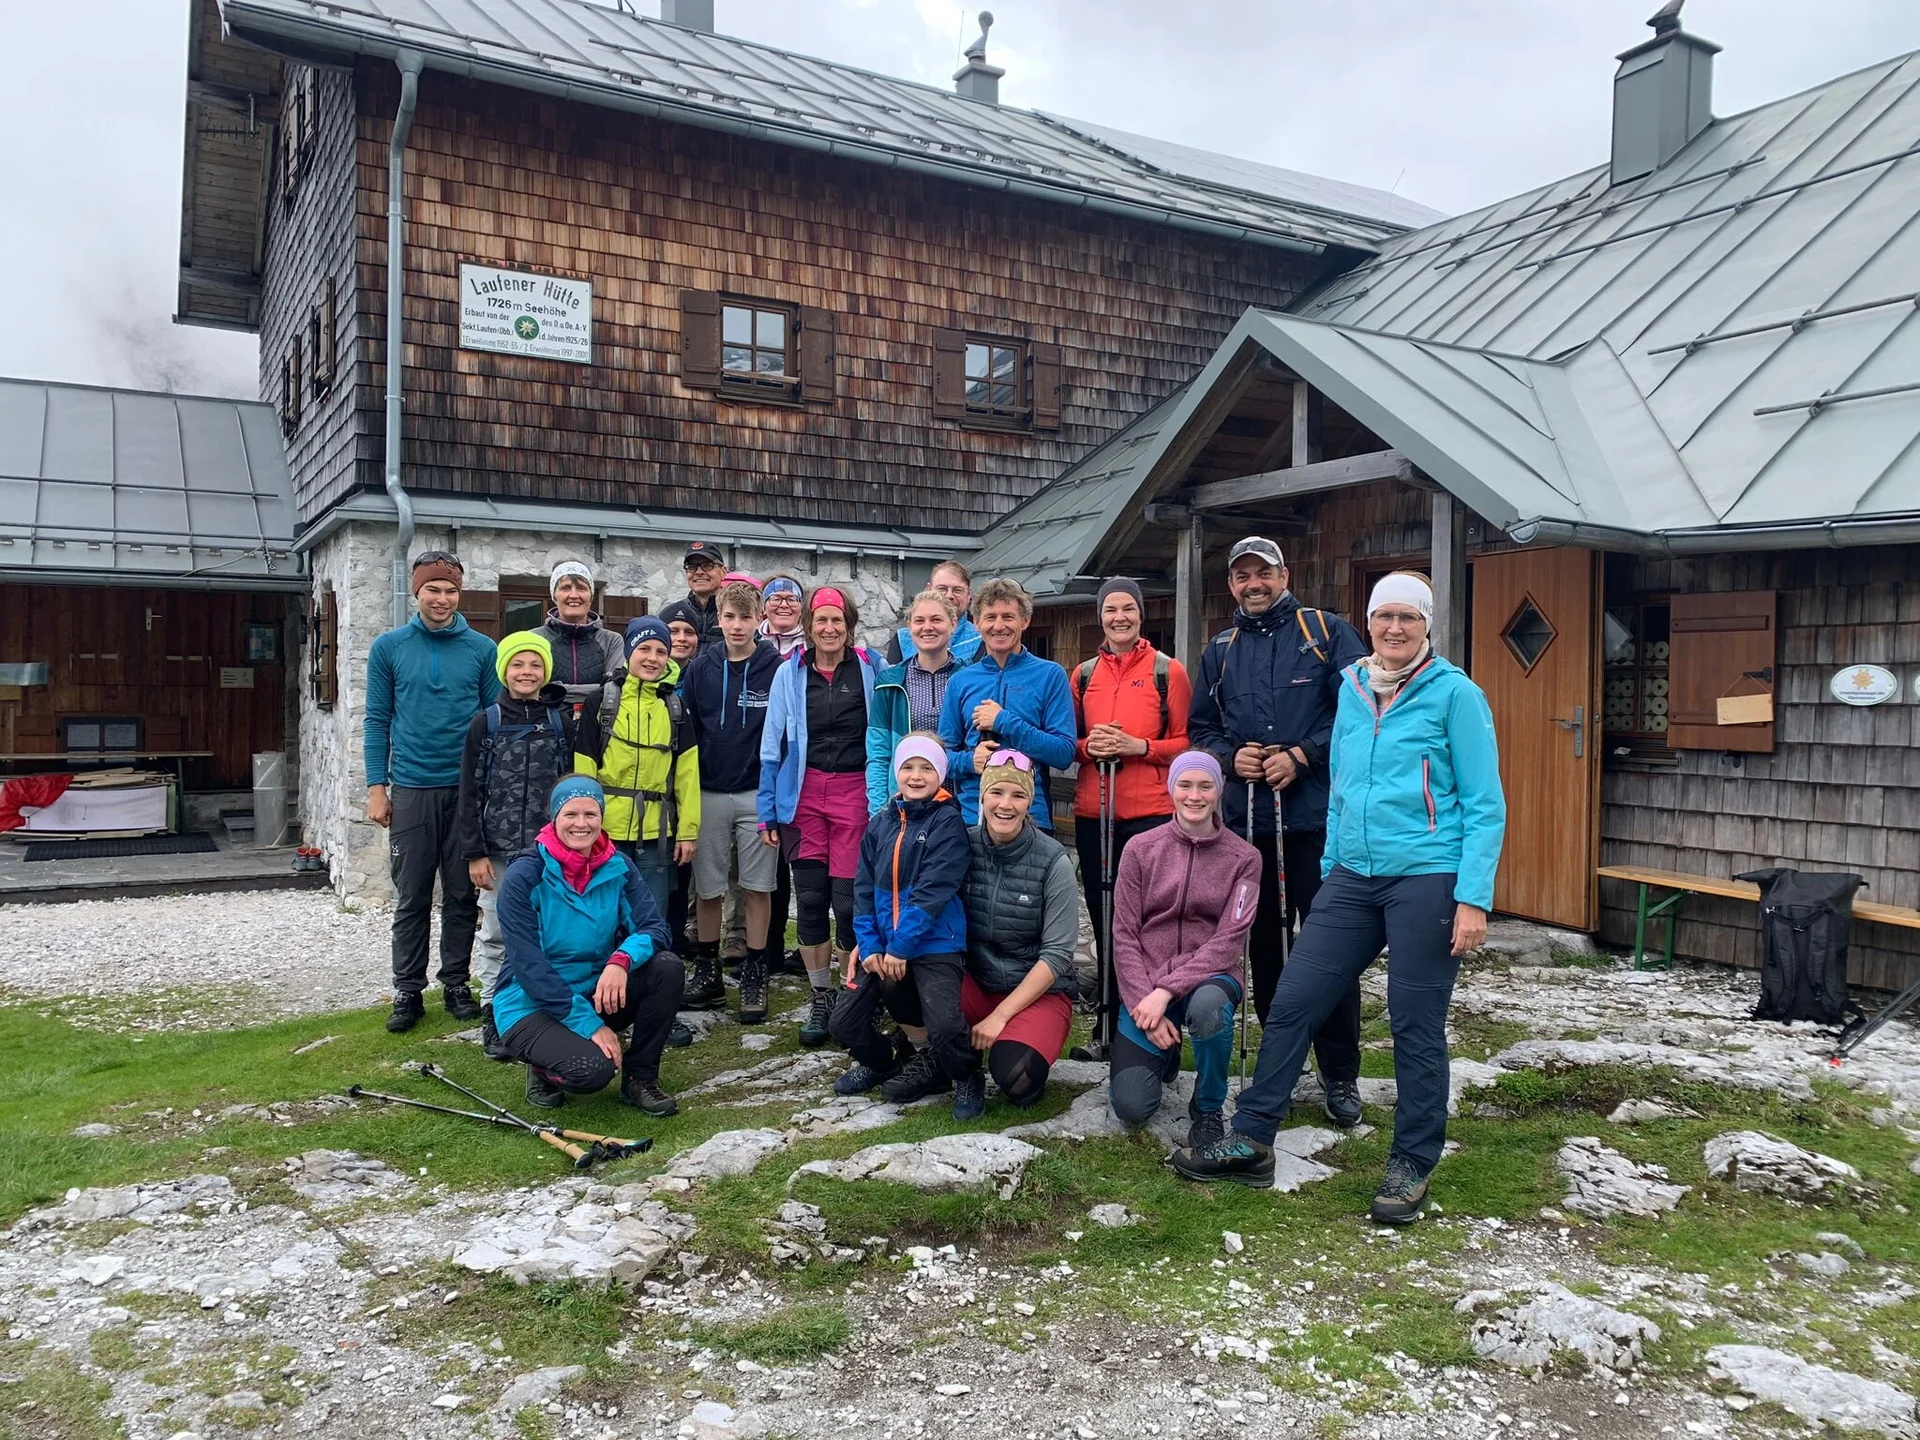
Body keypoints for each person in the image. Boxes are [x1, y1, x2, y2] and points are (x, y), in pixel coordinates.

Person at [1172, 573, 1506, 1225]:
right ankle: (1254, 1139)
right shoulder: (1353, 687)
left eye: (1409, 618)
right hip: (1352, 873)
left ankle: (1411, 1161)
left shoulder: (1456, 695)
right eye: (1385, 617)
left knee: (1414, 1021)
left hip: (1428, 874)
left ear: (1427, 624)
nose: (1395, 629)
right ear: (1371, 621)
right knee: (1295, 999)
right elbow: (1347, 779)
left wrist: (1474, 897)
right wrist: (1329, 861)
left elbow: (1486, 802)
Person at [1187, 535, 1369, 1128]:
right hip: (1250, 826)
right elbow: (1202, 729)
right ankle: (1281, 1068)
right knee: (1265, 951)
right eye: (1241, 576)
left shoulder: (1326, 632)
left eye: (1261, 573)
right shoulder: (1220, 648)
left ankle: (1340, 1072)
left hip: (1318, 822)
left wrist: (1304, 755)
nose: (1252, 584)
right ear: (1232, 584)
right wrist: (1230, 755)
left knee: (1328, 950)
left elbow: (1360, 712)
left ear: (1283, 573)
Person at [492, 775, 686, 1117]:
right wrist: (591, 1025)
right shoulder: (525, 875)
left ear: (602, 816)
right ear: (554, 817)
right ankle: (541, 1068)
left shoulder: (618, 867)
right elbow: (529, 967)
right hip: (529, 1002)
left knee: (666, 967)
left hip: (593, 987)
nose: (581, 824)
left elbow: (655, 928)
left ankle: (640, 1079)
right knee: (591, 1071)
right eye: (571, 815)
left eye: (591, 814)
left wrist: (621, 960)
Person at [365, 550, 499, 1033]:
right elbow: (377, 721)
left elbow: (493, 723)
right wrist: (377, 788)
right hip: (412, 789)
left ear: (459, 594)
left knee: (463, 893)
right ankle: (407, 991)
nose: (441, 599)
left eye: (450, 590)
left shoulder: (483, 650)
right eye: (432, 590)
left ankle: (457, 983)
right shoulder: (389, 648)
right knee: (412, 896)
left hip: (465, 790)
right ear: (417, 593)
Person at [1107, 751, 1259, 1149]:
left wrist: (1166, 992)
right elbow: (1124, 933)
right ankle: (1165, 1053)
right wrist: (1146, 1002)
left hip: (1212, 975)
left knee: (1208, 1009)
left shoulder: (1245, 858)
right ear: (1171, 789)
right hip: (1147, 981)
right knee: (1132, 1107)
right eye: (1185, 785)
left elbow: (1230, 938)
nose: (1195, 796)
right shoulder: (1140, 849)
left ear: (1219, 790)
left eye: (1205, 785)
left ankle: (1208, 1107)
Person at [456, 631, 598, 1058]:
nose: (526, 672)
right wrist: (474, 852)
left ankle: (544, 1006)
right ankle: (494, 1013)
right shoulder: (487, 722)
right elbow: (469, 790)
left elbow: (570, 789)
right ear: (504, 671)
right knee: (499, 932)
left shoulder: (558, 722)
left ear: (545, 672)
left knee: (547, 930)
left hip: (546, 851)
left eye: (535, 665)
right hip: (499, 851)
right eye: (517, 665)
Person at [828, 735, 981, 1118]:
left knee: (945, 1024)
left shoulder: (949, 822)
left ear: (941, 774)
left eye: (927, 768)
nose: (916, 776)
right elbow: (863, 889)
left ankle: (964, 1075)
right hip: (883, 944)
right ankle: (883, 1062)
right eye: (908, 767)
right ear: (896, 772)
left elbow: (932, 893)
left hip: (934, 942)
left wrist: (900, 947)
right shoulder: (881, 822)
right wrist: (872, 943)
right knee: (843, 1023)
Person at [1069, 576, 1191, 1050]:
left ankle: (1145, 1018)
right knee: (1104, 919)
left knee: (1147, 923)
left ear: (1141, 614)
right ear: (1099, 616)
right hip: (1094, 812)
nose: (1119, 617)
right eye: (1110, 610)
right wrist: (1088, 746)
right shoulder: (1082, 675)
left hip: (1150, 814)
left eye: (1128, 609)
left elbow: (1186, 742)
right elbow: (1068, 742)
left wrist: (1138, 746)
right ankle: (1106, 1020)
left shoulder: (1167, 671)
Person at [759, 586, 881, 1047]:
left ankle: (857, 993)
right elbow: (773, 744)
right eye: (820, 621)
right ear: (808, 626)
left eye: (837, 621)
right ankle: (820, 996)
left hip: (855, 793)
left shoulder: (871, 669)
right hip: (803, 793)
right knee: (810, 901)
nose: (829, 629)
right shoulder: (790, 672)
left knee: (849, 904)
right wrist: (768, 809)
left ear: (849, 625)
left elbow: (886, 730)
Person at [578, 616, 708, 998]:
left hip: (657, 833)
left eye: (661, 651)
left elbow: (687, 773)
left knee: (650, 918)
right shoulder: (601, 701)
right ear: (630, 651)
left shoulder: (674, 705)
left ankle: (652, 999)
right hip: (607, 833)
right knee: (601, 915)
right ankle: (595, 995)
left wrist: (688, 831)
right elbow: (584, 768)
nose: (652, 658)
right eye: (645, 649)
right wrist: (586, 829)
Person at [944, 748, 1080, 1110]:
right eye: (997, 793)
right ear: (983, 796)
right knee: (903, 978)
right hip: (975, 980)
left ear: (1030, 803)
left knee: (1017, 1079)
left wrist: (1000, 1017)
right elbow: (922, 901)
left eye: (1018, 795)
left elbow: (1057, 955)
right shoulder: (960, 845)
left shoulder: (1054, 861)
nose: (1006, 805)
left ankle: (1010, 1041)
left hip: (1035, 992)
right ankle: (955, 1062)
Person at [683, 582, 782, 1024]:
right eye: (729, 617)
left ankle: (756, 969)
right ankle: (707, 969)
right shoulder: (701, 666)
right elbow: (687, 731)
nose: (737, 626)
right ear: (718, 618)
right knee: (709, 887)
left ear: (758, 618)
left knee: (758, 886)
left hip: (757, 792)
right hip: (707, 790)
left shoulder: (775, 667)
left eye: (745, 618)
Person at [937, 577, 1076, 831]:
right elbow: (941, 758)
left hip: (1031, 820)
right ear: (976, 623)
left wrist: (1004, 721)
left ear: (1025, 621)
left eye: (1008, 617)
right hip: (972, 820)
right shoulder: (960, 681)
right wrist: (970, 762)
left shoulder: (1050, 675)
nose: (998, 626)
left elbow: (1064, 753)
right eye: (990, 617)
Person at [866, 589, 961, 815]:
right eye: (919, 620)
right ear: (910, 627)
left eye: (936, 619)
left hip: (956, 803)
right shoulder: (890, 682)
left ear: (953, 623)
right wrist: (879, 812)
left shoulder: (968, 678)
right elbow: (878, 754)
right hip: (904, 805)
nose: (927, 627)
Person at [536, 559, 626, 718]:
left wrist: (556, 690)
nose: (574, 595)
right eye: (565, 588)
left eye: (581, 588)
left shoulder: (612, 641)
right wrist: (598, 689)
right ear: (554, 595)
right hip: (547, 730)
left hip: (598, 730)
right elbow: (534, 689)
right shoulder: (535, 639)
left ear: (591, 596)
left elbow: (615, 689)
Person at [884, 560, 982, 665]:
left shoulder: (981, 640)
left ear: (969, 594)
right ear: (928, 589)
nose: (949, 596)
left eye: (957, 590)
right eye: (942, 589)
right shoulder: (902, 640)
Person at [679, 540, 727, 649]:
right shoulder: (674, 613)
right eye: (691, 567)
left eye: (707, 565)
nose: (699, 572)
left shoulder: (737, 613)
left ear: (723, 571)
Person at [757, 575, 807, 657]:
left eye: (791, 599)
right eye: (776, 599)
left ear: (801, 608)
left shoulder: (813, 646)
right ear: (763, 607)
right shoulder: (751, 644)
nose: (784, 605)